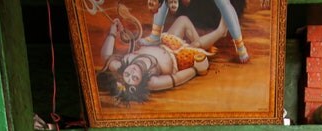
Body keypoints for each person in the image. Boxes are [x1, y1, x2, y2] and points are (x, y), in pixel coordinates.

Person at [96, 13, 226, 103]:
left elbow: (105, 56)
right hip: (178, 57)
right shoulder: (152, 82)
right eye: (134, 78)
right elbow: (176, 79)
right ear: (140, 82)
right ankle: (221, 32)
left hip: (166, 43)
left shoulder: (121, 65)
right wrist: (195, 69)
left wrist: (113, 32)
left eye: (128, 74)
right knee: (196, 45)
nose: (133, 72)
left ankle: (202, 45)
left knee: (183, 20)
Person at [142, 0, 249, 63]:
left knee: (224, 4)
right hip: (193, 13)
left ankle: (239, 45)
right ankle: (155, 36)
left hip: (213, 12)